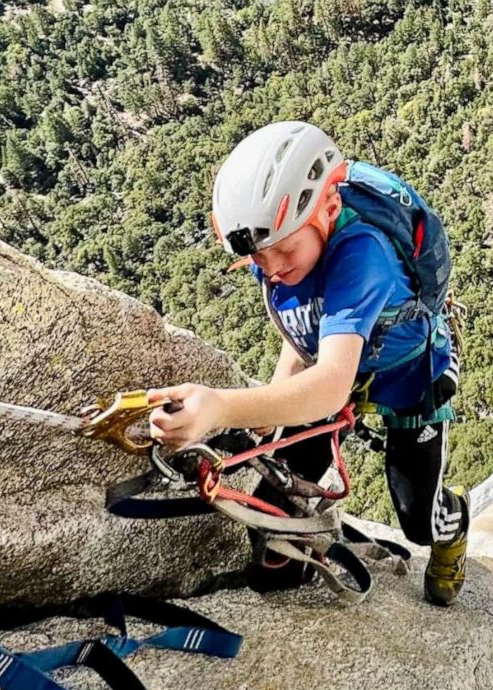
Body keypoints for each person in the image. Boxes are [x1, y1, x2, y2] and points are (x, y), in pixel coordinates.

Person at [148, 121, 468, 606]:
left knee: (419, 519)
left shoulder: (364, 256)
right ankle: (290, 564)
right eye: (259, 257)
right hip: (332, 365)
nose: (273, 267)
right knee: (277, 500)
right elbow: (303, 329)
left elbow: (331, 385)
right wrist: (272, 408)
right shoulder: (285, 241)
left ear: (330, 210)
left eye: (284, 250)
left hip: (407, 374)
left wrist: (221, 409)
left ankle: (455, 520)